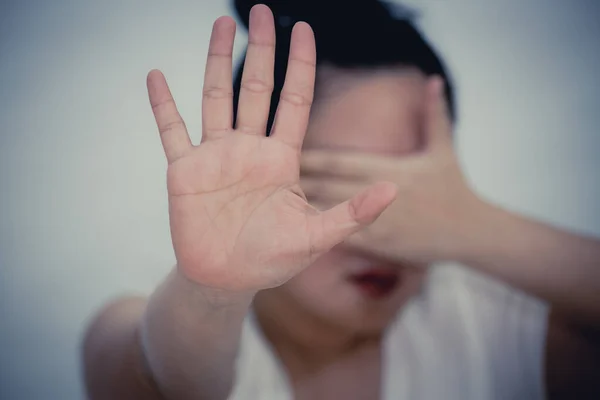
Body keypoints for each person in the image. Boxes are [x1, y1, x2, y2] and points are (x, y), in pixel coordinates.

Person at [82, 1, 600, 399]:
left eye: (421, 194)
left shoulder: (492, 321)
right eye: (343, 185)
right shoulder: (167, 326)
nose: (386, 229)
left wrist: (477, 226)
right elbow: (146, 383)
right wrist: (211, 293)